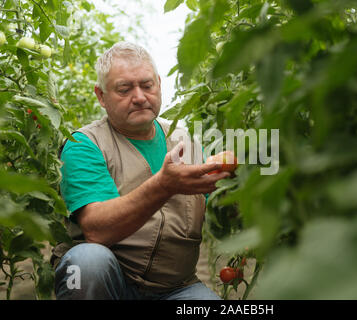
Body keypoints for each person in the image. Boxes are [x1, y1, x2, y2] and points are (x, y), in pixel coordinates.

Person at [51, 42, 229, 300]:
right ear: (101, 96)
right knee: (86, 262)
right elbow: (97, 230)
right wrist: (164, 185)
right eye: (124, 89)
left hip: (176, 288)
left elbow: (217, 209)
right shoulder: (85, 144)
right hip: (113, 284)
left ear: (158, 84)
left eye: (147, 86)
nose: (139, 97)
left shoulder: (185, 141)